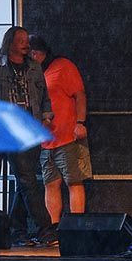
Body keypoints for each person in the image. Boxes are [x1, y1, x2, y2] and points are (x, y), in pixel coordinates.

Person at [0, 27, 58, 246]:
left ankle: (18, 230)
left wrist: (46, 118)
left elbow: (44, 96)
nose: (26, 44)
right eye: (21, 41)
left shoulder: (35, 67)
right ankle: (46, 227)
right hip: (7, 130)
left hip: (30, 127)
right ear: (10, 42)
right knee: (26, 179)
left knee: (24, 181)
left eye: (27, 40)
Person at [29, 35, 93, 227]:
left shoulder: (62, 66)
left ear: (37, 53)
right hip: (45, 140)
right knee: (51, 183)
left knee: (74, 181)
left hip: (67, 136)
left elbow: (80, 95)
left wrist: (80, 122)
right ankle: (55, 227)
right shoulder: (33, 73)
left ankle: (77, 226)